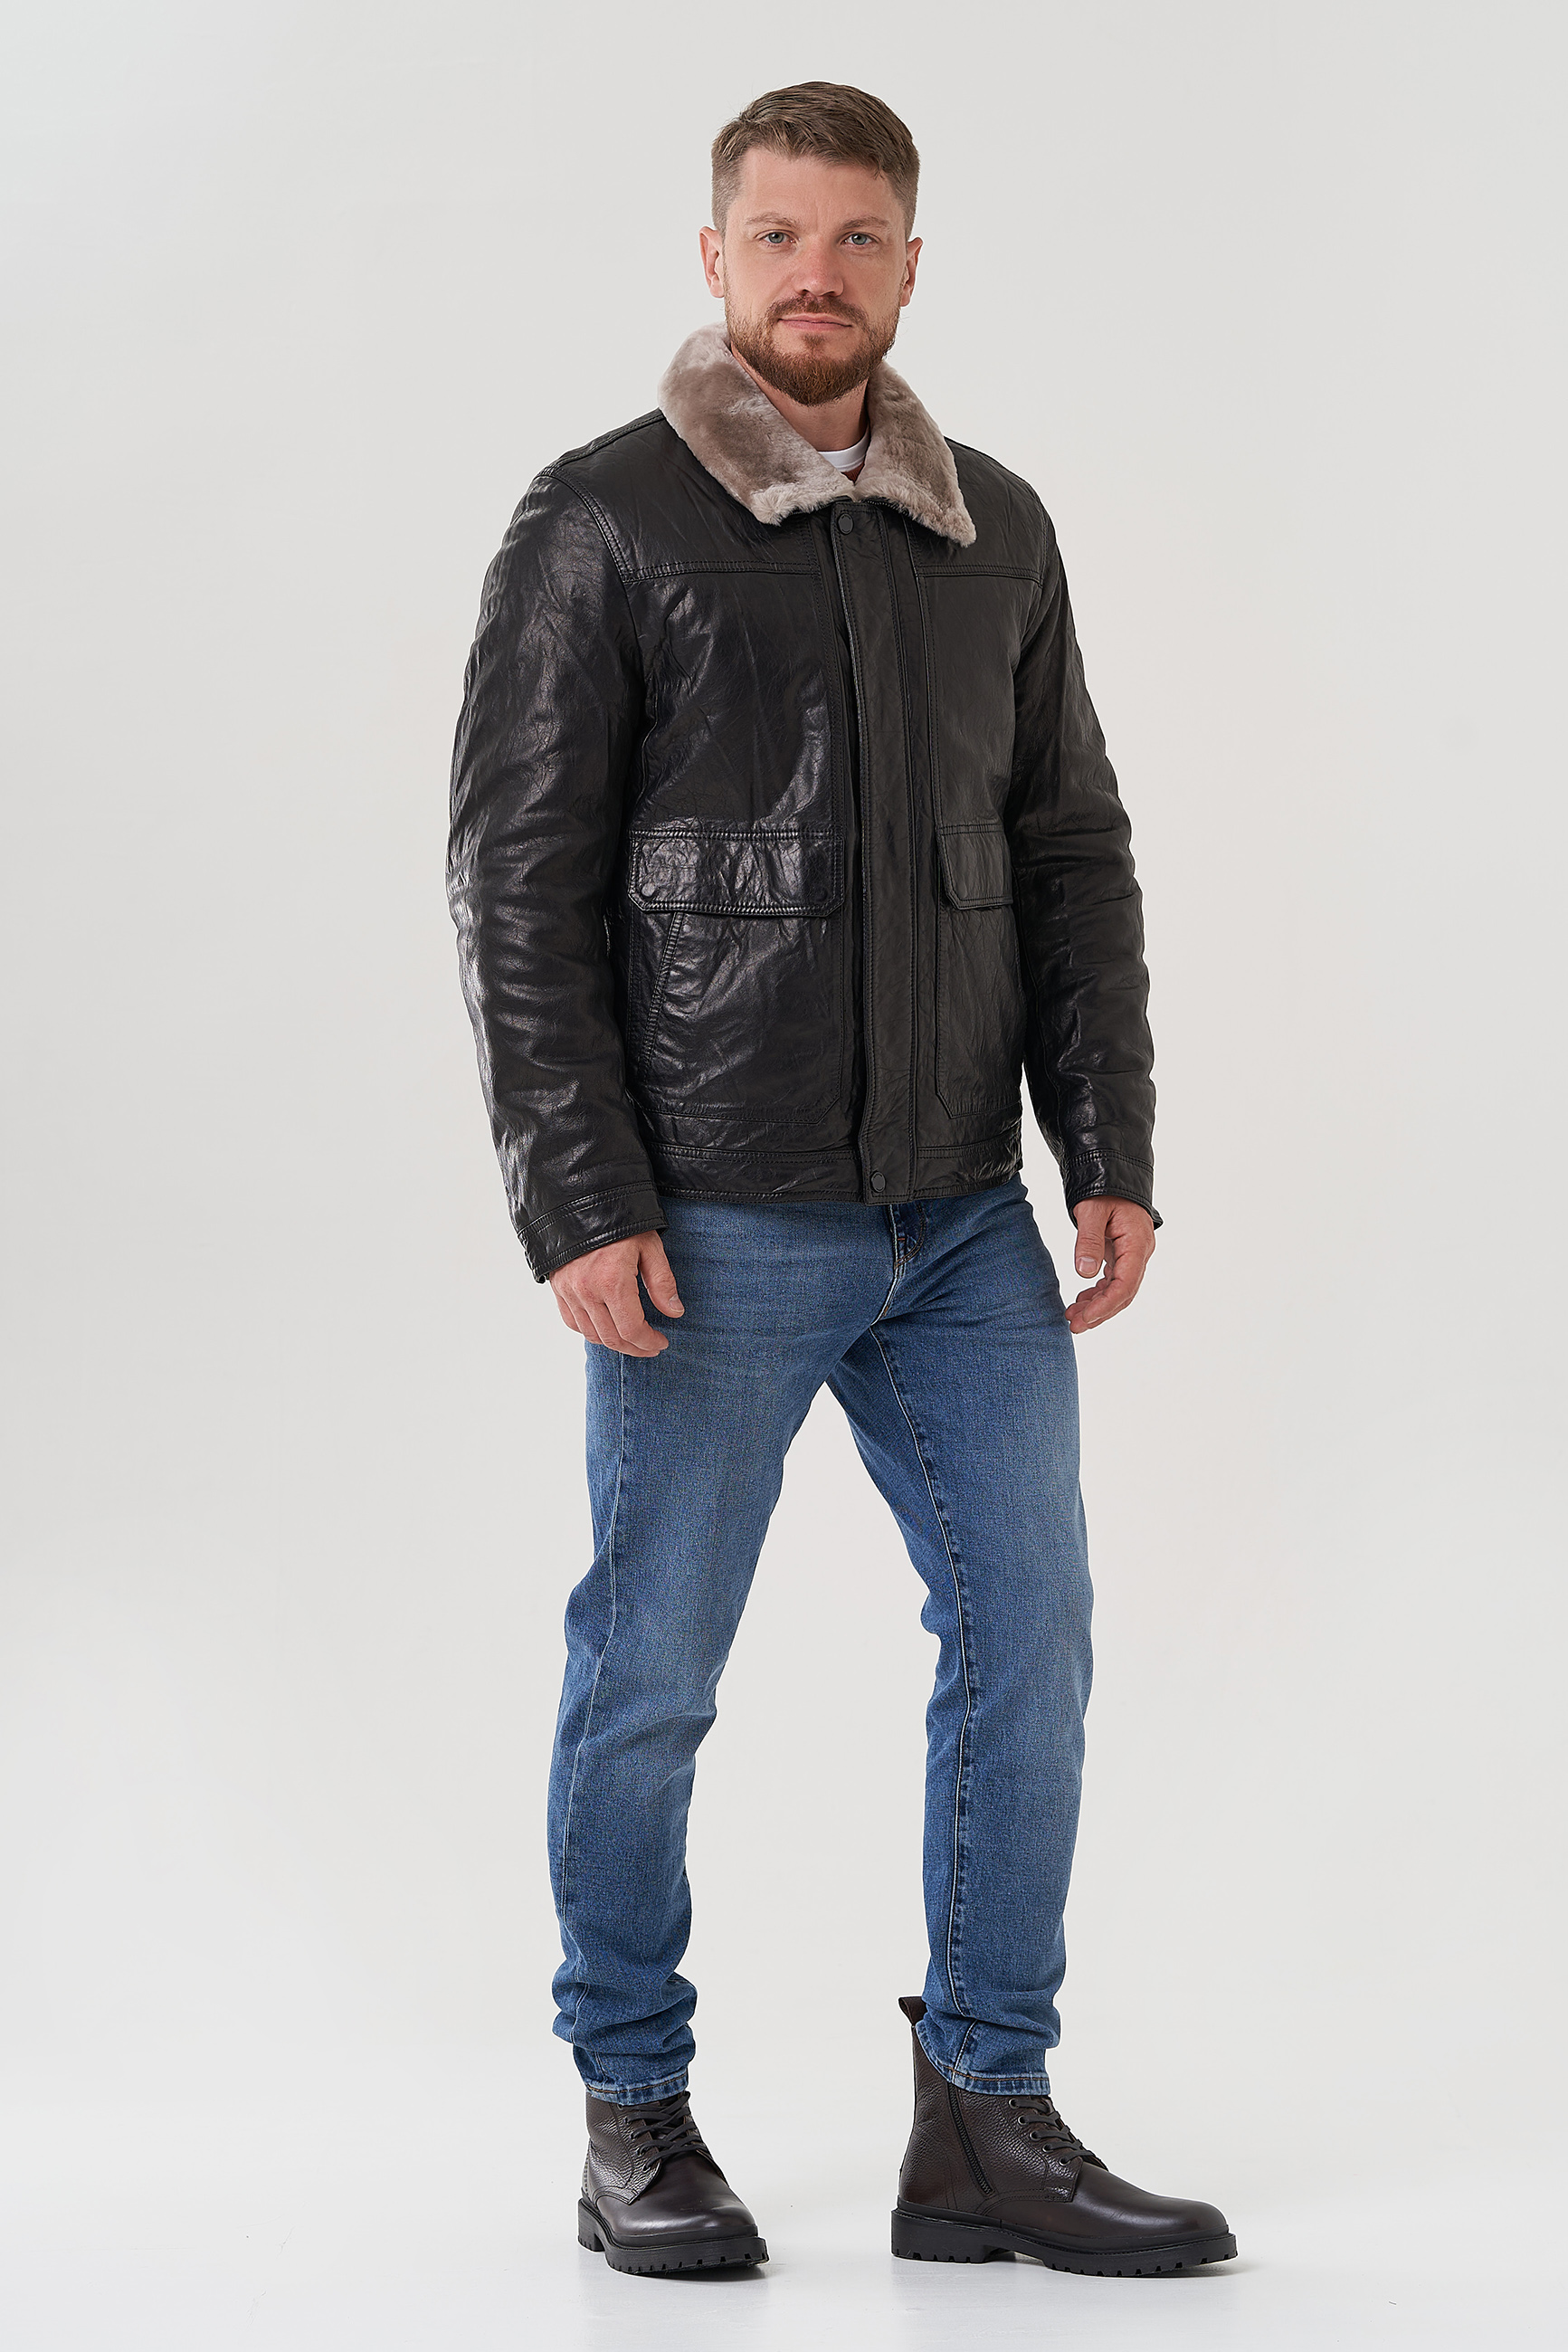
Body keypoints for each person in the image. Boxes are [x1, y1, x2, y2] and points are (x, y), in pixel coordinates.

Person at [448, 80, 1236, 2281]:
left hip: (964, 1216)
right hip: (710, 1214)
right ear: (715, 258)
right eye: (779, 236)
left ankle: (984, 2113)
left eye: (858, 237)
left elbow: (1070, 847)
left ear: (908, 262)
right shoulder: (600, 518)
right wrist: (578, 1192)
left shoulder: (998, 529)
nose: (818, 274)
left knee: (1032, 1637)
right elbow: (517, 880)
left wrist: (1110, 1141)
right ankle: (632, 2105)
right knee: (653, 1669)